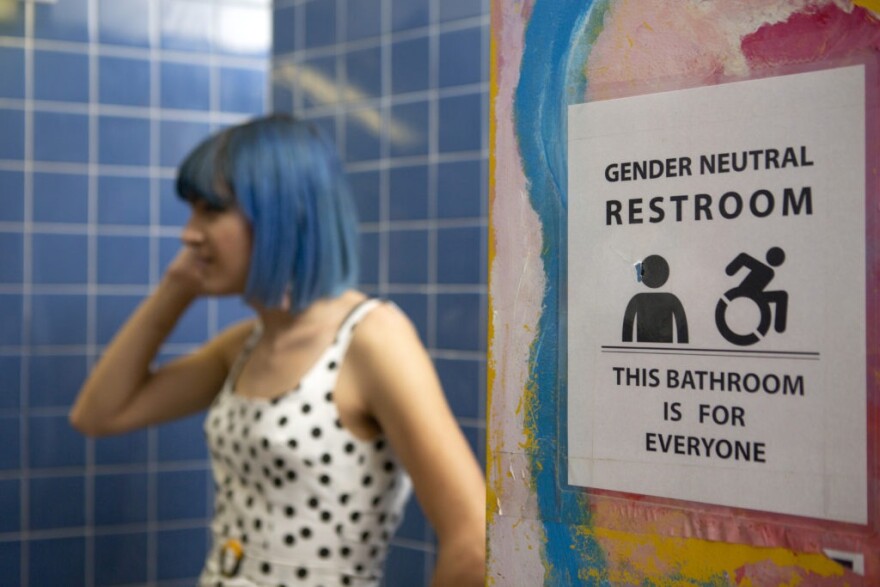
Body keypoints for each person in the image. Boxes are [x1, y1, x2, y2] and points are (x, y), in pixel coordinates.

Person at [70, 114, 486, 586]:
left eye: (209, 210)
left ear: (279, 215)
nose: (189, 232)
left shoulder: (372, 339)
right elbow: (99, 414)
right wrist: (176, 287)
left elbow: (472, 541)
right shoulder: (246, 345)